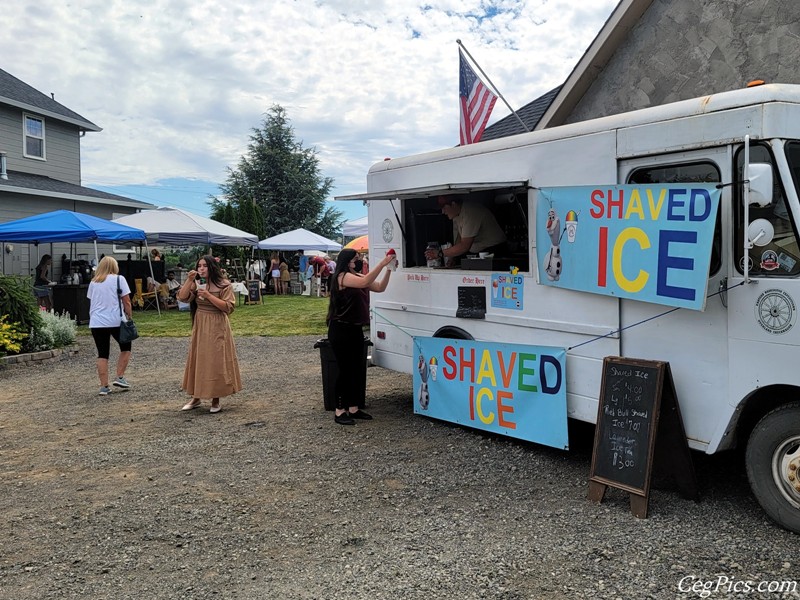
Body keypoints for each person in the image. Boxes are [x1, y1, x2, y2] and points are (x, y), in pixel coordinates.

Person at [326, 248, 394, 425]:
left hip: (355, 328)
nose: (359, 260)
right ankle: (340, 410)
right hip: (341, 329)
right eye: (356, 258)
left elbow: (379, 287)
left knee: (357, 368)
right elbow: (366, 280)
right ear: (347, 260)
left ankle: (354, 407)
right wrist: (382, 263)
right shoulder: (342, 277)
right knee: (345, 369)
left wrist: (389, 270)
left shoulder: (354, 276)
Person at [176, 255, 242, 413]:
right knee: (198, 358)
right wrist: (189, 280)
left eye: (204, 266)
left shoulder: (224, 285)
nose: (201, 269)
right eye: (199, 266)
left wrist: (209, 296)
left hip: (217, 324)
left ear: (211, 267)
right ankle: (196, 397)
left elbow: (228, 307)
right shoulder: (198, 283)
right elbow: (183, 297)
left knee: (215, 360)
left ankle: (215, 399)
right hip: (201, 322)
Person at [86, 256, 133, 396]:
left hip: (96, 321)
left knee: (102, 353)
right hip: (115, 320)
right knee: (126, 346)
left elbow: (91, 299)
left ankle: (103, 386)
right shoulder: (119, 279)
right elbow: (127, 300)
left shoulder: (93, 282)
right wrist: (129, 315)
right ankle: (119, 376)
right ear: (114, 266)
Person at [424, 196, 507, 266]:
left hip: (494, 251)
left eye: (444, 207)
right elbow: (460, 237)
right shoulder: (457, 214)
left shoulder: (470, 212)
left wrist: (440, 253)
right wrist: (453, 257)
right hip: (478, 252)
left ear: (453, 204)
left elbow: (464, 245)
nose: (443, 211)